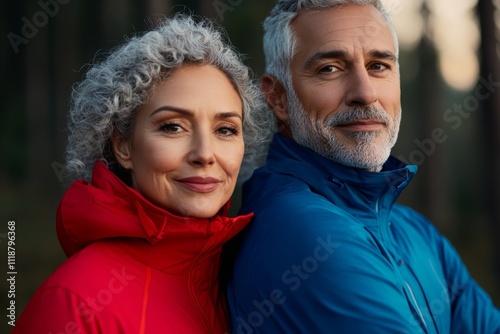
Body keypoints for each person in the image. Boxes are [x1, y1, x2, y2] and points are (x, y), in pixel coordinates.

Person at [226, 1, 500, 333]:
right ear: (278, 98)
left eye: (378, 65)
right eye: (330, 68)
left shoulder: (412, 229)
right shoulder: (303, 235)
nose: (365, 93)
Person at [13, 14, 268, 334]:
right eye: (173, 126)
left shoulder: (252, 278)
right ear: (123, 147)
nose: (205, 154)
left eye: (226, 129)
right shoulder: (75, 303)